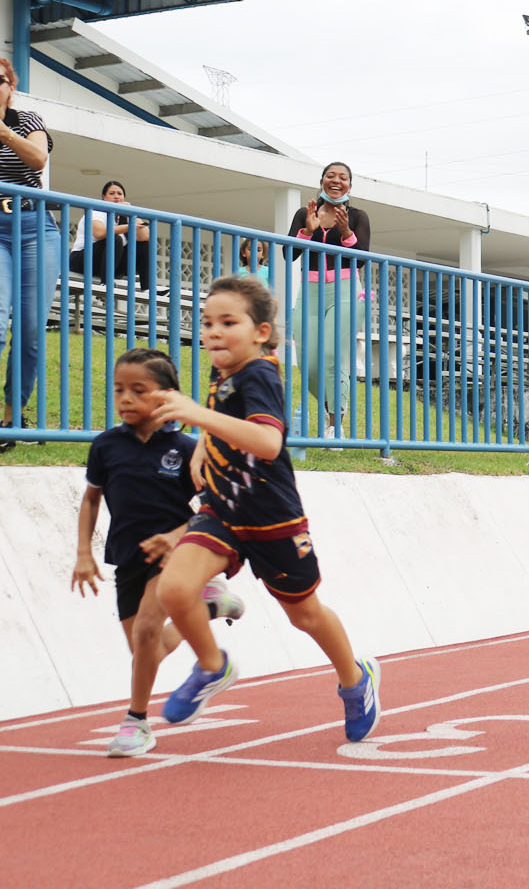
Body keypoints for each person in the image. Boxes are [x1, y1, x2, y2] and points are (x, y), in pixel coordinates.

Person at [149, 276, 380, 740]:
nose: (213, 331)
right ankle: (214, 667)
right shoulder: (227, 371)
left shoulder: (260, 373)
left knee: (305, 615)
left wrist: (195, 414)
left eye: (228, 322)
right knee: (174, 590)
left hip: (273, 518)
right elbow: (226, 422)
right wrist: (202, 447)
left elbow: (269, 441)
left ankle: (357, 682)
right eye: (208, 321)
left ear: (260, 331)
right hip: (223, 511)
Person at [70, 348, 244, 757]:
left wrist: (178, 534)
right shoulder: (106, 446)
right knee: (148, 649)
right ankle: (206, 612)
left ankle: (136, 721)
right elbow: (92, 499)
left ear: (166, 396)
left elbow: (213, 506)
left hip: (175, 554)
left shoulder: (185, 449)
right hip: (128, 556)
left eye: (138, 390)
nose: (125, 399)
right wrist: (83, 552)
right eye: (119, 390)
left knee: (148, 631)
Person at [288, 162, 371, 442]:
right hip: (310, 289)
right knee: (309, 362)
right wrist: (308, 231)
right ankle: (328, 407)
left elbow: (361, 259)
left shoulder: (358, 216)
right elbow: (290, 256)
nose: (336, 181)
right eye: (331, 176)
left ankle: (336, 424)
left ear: (350, 184)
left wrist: (347, 234)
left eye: (343, 177)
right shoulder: (305, 213)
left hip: (347, 289)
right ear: (322, 180)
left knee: (333, 356)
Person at [0, 57, 59, 453]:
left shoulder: (26, 120)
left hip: (36, 227)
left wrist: (2, 131)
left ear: (11, 88)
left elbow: (38, 160)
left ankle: (9, 418)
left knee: (31, 330)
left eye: (1, 80)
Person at [68, 180, 155, 291]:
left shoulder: (124, 217)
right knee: (115, 238)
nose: (116, 197)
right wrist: (130, 226)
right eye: (112, 193)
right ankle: (106, 284)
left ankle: (147, 289)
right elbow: (100, 233)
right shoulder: (97, 211)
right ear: (104, 197)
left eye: (119, 194)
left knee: (144, 245)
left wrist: (131, 214)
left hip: (110, 264)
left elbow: (145, 237)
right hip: (83, 261)